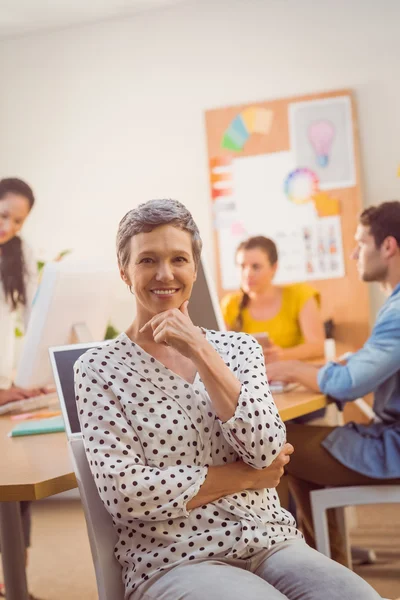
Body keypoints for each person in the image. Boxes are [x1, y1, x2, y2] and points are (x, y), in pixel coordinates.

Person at [74, 199, 380, 600]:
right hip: (175, 558)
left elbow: (267, 449)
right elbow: (124, 493)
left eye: (178, 259)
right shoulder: (97, 368)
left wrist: (202, 352)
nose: (164, 274)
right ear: (125, 272)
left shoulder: (238, 349)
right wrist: (245, 478)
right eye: (147, 260)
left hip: (271, 539)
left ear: (194, 269)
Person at [267, 201, 400, 565]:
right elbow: (374, 361)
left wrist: (292, 370)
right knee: (301, 455)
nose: (355, 252)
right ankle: (329, 570)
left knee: (278, 447)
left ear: (387, 246)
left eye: (361, 242)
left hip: (394, 449)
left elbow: (349, 383)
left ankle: (283, 566)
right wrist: (344, 362)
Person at [0, 177, 42, 599]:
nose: (7, 226)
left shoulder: (18, 254)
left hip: (6, 387)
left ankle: (17, 585)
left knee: (15, 484)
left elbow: (35, 319)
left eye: (17, 220)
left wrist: (26, 381)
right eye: (2, 214)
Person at [221, 236, 325, 363]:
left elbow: (318, 347)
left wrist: (282, 355)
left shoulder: (300, 295)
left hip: (292, 377)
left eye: (256, 267)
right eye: (242, 266)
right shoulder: (230, 304)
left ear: (274, 267)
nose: (248, 273)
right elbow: (221, 352)